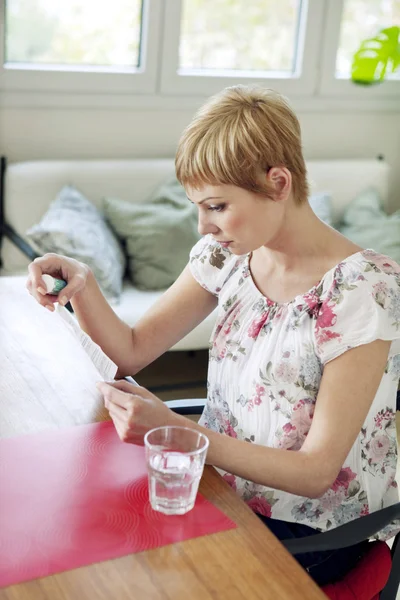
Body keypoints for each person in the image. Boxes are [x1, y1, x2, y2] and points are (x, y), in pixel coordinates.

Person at [27, 85, 400, 586]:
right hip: (221, 488)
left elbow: (315, 473)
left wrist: (182, 434)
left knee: (137, 572)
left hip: (312, 529)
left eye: (218, 206)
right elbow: (133, 349)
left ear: (278, 183)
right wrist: (83, 283)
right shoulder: (227, 255)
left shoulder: (361, 289)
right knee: (79, 529)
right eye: (197, 207)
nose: (204, 226)